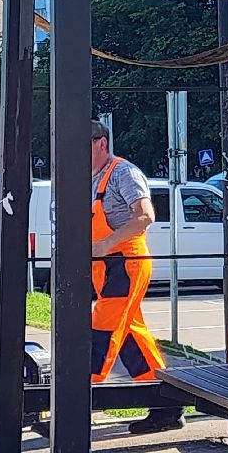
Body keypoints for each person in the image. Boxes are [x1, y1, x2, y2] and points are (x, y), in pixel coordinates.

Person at [89, 119, 183, 434]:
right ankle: (166, 405)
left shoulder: (123, 173)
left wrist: (104, 244)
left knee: (101, 330)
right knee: (130, 337)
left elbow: (145, 216)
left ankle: (74, 405)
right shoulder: (90, 177)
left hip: (126, 262)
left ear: (101, 142)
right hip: (106, 268)